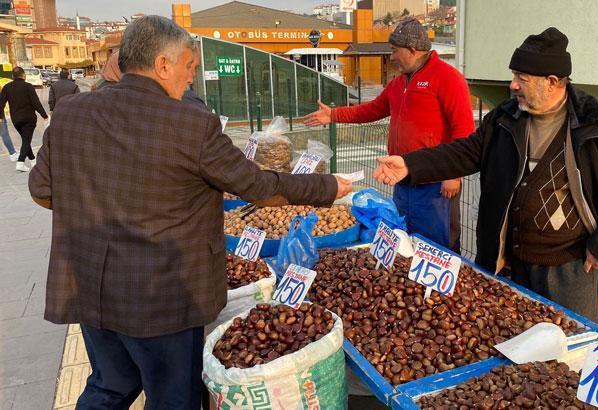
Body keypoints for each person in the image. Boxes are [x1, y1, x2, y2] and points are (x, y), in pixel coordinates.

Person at [28, 15, 352, 409]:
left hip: (90, 285)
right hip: (161, 297)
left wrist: (99, 209)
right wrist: (328, 186)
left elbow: (42, 190)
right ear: (163, 65)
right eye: (189, 66)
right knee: (173, 398)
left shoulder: (72, 113)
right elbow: (260, 187)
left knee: (109, 386)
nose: (191, 77)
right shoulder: (190, 124)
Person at [373, 27, 598, 327]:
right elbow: (465, 152)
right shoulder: (505, 118)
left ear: (552, 82)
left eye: (522, 79)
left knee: (569, 346)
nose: (512, 85)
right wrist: (410, 165)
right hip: (511, 262)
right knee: (510, 342)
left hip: (573, 269)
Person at [303, 18, 474, 252]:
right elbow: (372, 110)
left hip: (435, 185)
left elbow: (464, 129)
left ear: (412, 50)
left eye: (395, 51)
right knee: (404, 240)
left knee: (437, 246)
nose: (391, 57)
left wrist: (454, 175)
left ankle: (442, 288)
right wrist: (334, 114)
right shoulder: (398, 83)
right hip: (401, 179)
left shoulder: (448, 78)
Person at [0, 67, 48, 172]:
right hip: (29, 119)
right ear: (23, 75)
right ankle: (20, 162)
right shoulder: (28, 86)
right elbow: (36, 103)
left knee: (26, 139)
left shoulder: (7, 87)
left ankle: (33, 160)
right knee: (26, 140)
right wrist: (44, 115)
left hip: (16, 120)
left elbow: (1, 104)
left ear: (13, 76)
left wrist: (0, 117)